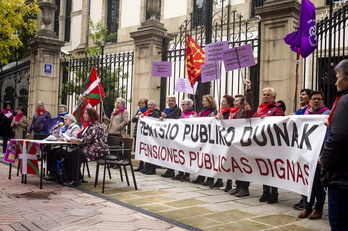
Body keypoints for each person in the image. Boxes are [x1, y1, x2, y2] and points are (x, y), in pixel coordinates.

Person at [321, 59, 348, 230]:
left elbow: (338, 137)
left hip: (342, 178)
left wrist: (325, 161)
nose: (336, 81)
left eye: (338, 77)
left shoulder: (344, 102)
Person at [297, 91, 330, 220]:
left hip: (318, 153)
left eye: (319, 99)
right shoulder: (306, 113)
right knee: (305, 181)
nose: (316, 101)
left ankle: (318, 209)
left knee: (317, 182)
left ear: (322, 101)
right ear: (310, 101)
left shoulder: (326, 114)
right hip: (306, 152)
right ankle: (307, 206)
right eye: (314, 99)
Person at [254, 87, 285, 204]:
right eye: (264, 95)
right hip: (262, 142)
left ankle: (274, 192)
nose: (265, 96)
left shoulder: (277, 108)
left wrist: (269, 120)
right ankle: (265, 191)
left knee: (273, 168)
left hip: (273, 143)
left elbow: (281, 122)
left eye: (268, 95)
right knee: (264, 167)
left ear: (273, 97)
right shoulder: (260, 108)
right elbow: (251, 119)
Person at [67, 108, 108, 186]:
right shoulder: (88, 124)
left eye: (86, 113)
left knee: (76, 155)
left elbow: (90, 138)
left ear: (91, 115)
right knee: (71, 154)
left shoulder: (96, 125)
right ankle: (74, 177)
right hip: (89, 148)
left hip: (97, 150)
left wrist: (78, 141)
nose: (83, 115)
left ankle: (76, 180)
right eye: (83, 113)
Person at [292, 88, 312, 210]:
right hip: (299, 145)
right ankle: (304, 199)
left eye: (303, 94)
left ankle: (308, 201)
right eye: (300, 94)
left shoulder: (309, 111)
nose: (300, 96)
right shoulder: (300, 110)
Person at [44, 114, 80, 181]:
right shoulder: (63, 127)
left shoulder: (75, 127)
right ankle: (51, 172)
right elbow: (56, 137)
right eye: (64, 120)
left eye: (66, 120)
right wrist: (55, 131)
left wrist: (63, 139)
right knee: (50, 151)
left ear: (71, 120)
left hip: (69, 148)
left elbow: (74, 137)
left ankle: (55, 173)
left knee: (57, 153)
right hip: (60, 146)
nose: (64, 121)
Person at [210, 94, 235, 189]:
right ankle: (219, 180)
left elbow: (231, 123)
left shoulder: (232, 111)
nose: (222, 103)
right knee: (218, 158)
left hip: (227, 138)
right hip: (218, 138)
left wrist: (223, 120)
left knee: (228, 159)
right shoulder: (219, 111)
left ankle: (229, 182)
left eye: (224, 101)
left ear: (229, 103)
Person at [192, 94, 217, 186]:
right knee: (202, 157)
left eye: (205, 100)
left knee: (210, 158)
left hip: (210, 137)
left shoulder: (214, 111)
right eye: (203, 101)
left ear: (210, 102)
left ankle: (210, 178)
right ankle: (201, 176)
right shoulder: (202, 111)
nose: (203, 102)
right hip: (202, 138)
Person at [172, 98, 196, 182]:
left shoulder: (193, 114)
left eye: (184, 104)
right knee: (180, 155)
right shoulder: (182, 114)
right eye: (181, 104)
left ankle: (187, 175)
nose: (182, 106)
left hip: (189, 138)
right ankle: (180, 173)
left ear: (189, 105)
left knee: (187, 156)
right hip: (181, 138)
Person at [160, 95, 182, 178]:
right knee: (168, 152)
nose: (170, 102)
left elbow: (176, 120)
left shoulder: (177, 110)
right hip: (166, 134)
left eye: (172, 100)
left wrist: (166, 117)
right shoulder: (166, 110)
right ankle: (169, 170)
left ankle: (172, 170)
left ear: (175, 102)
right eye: (169, 101)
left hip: (174, 135)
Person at [138, 100, 161, 175]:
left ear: (155, 106)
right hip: (147, 135)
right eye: (149, 105)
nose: (150, 106)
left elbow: (155, 122)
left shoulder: (156, 113)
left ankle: (152, 168)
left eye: (151, 105)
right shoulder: (146, 112)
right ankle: (147, 167)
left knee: (152, 152)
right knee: (148, 151)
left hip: (153, 135)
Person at [132, 98, 148, 171]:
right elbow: (132, 120)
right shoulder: (139, 111)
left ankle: (146, 165)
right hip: (137, 132)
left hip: (144, 133)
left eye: (143, 103)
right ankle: (140, 164)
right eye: (140, 103)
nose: (141, 104)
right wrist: (136, 117)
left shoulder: (147, 111)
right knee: (138, 148)